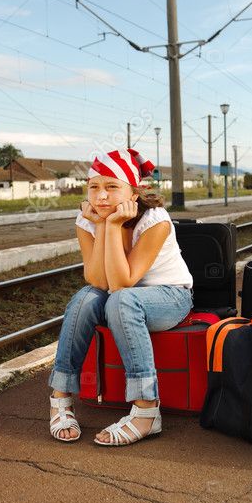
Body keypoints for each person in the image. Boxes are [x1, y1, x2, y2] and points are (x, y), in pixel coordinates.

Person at [47, 148, 194, 446]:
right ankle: (60, 398)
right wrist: (102, 225)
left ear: (133, 193)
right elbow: (99, 280)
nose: (101, 197)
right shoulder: (86, 220)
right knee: (86, 297)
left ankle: (146, 410)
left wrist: (112, 225)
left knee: (121, 299)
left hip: (169, 296)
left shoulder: (155, 220)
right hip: (120, 297)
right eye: (94, 187)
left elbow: (123, 282)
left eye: (112, 187)